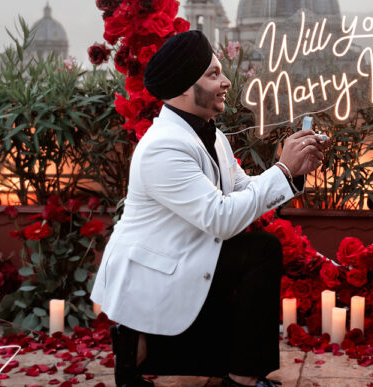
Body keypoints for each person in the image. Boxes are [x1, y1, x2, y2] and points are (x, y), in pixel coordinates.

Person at [91, 30, 326, 387]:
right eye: (213, 74)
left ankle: (231, 369)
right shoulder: (163, 147)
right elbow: (220, 218)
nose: (226, 81)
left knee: (260, 249)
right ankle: (234, 376)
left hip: (184, 255)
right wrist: (281, 170)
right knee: (261, 250)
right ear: (185, 87)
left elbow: (241, 187)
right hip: (154, 272)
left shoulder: (208, 133)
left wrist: (292, 172)